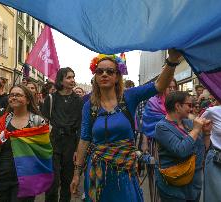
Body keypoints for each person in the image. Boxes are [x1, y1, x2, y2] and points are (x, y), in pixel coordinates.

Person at [70, 50, 181, 202]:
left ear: (117, 76)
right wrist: (76, 174)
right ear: (95, 76)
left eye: (110, 71)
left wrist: (172, 60)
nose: (104, 74)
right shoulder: (89, 106)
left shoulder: (129, 97)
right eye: (99, 71)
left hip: (124, 171)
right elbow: (84, 139)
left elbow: (159, 85)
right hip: (96, 170)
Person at [0, 85, 53, 202]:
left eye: (18, 95)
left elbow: (45, 150)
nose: (14, 97)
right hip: (3, 174)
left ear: (28, 100)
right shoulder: (3, 121)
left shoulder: (37, 122)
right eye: (12, 95)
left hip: (27, 176)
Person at [155, 91, 211, 202]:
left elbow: (203, 149)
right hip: (174, 188)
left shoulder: (189, 123)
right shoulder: (161, 127)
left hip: (193, 186)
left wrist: (206, 133)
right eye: (189, 105)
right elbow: (181, 150)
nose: (192, 109)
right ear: (177, 106)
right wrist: (195, 130)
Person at [41, 67, 83, 202]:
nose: (72, 80)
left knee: (67, 181)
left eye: (73, 77)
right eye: (69, 77)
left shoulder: (78, 100)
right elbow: (44, 122)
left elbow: (81, 126)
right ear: (61, 80)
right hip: (53, 142)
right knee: (52, 181)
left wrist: (78, 148)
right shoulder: (51, 98)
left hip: (70, 143)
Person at [201, 98, 221, 202]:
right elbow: (198, 124)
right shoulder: (213, 111)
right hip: (216, 160)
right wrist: (207, 134)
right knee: (214, 197)